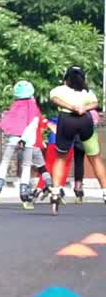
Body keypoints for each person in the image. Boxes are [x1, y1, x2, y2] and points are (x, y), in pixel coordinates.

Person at [0, 80, 53, 210]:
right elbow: (33, 123)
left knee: (5, 162)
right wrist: (24, 139)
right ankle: (24, 193)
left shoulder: (15, 105)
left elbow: (9, 121)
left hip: (13, 139)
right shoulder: (33, 106)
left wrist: (17, 137)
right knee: (26, 166)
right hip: (29, 141)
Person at [47, 65, 104, 213]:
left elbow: (54, 99)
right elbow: (95, 104)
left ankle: (55, 192)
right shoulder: (87, 91)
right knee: (95, 159)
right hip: (85, 121)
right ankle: (105, 191)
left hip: (66, 120)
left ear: (66, 79)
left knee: (60, 158)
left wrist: (71, 107)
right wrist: (83, 108)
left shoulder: (60, 89)